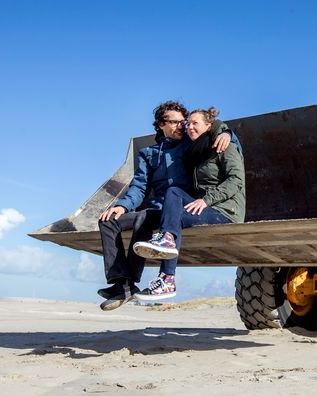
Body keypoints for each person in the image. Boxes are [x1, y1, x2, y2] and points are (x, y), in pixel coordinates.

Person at [97, 101, 235, 311]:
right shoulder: (149, 154)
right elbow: (139, 187)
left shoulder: (189, 143)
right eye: (175, 122)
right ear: (161, 124)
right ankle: (122, 283)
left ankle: (134, 282)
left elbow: (210, 128)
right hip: (155, 209)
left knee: (144, 217)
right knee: (108, 220)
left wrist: (226, 132)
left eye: (183, 122)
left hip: (180, 208)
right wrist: (123, 206)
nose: (182, 126)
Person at [132, 107, 245, 301]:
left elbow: (236, 181)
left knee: (172, 217)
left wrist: (206, 200)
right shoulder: (196, 152)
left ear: (208, 126)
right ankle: (167, 267)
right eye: (188, 124)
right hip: (205, 208)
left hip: (225, 210)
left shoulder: (224, 145)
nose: (189, 127)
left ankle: (166, 277)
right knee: (174, 192)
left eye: (195, 123)